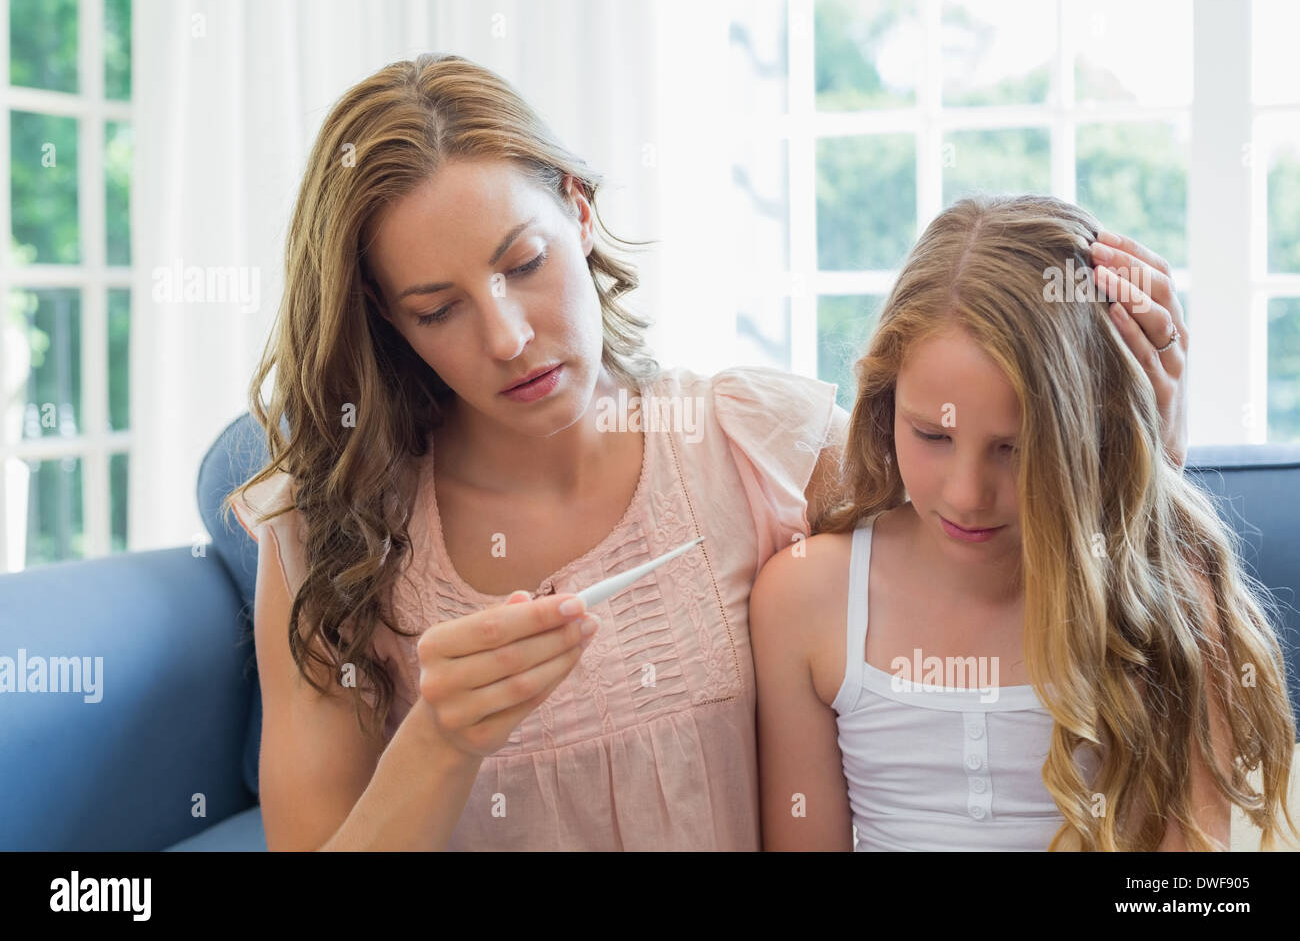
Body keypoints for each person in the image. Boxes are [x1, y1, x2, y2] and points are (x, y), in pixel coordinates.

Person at [224, 53, 1190, 850]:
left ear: (580, 209)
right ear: (389, 324)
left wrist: (1148, 438)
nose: (509, 335)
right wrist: (439, 740)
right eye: (438, 310)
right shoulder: (328, 536)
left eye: (524, 264)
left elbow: (1026, 568)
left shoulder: (756, 447)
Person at [751, 194, 1297, 852]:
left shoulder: (1164, 593)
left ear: (1090, 436)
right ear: (885, 402)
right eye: (931, 435)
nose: (968, 494)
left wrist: (1152, 473)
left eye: (1016, 448)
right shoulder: (805, 596)